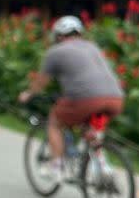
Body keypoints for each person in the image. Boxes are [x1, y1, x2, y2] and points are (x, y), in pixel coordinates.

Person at [19, 15, 125, 182]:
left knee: (54, 122)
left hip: (86, 99)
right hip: (115, 98)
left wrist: (28, 94)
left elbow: (41, 82)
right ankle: (102, 166)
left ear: (59, 36)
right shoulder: (93, 47)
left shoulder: (56, 52)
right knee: (91, 132)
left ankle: (56, 167)